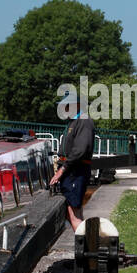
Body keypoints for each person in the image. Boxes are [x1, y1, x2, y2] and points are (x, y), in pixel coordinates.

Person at [50, 96, 95, 231]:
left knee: (74, 214)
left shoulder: (84, 122)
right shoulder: (75, 121)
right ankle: (86, 246)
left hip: (75, 171)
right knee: (74, 212)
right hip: (72, 171)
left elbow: (80, 151)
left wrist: (62, 170)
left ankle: (86, 248)